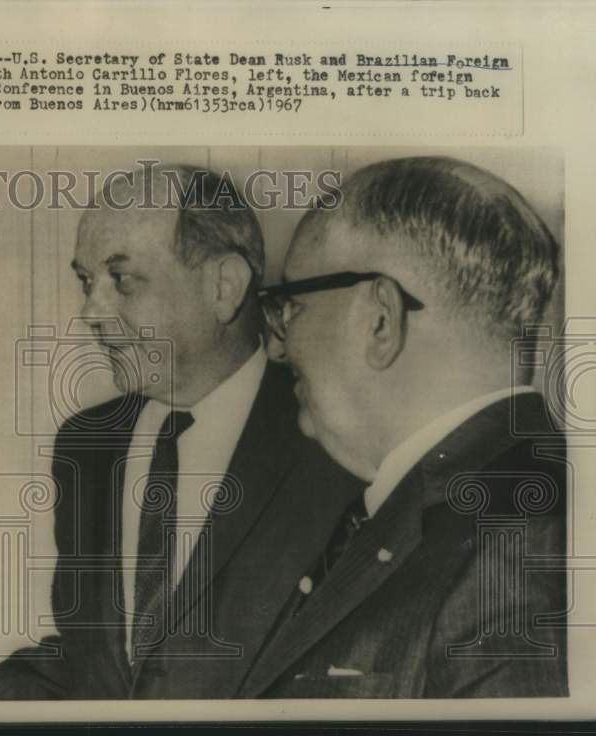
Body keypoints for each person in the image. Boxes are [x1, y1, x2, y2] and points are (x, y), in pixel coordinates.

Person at [0, 164, 360, 699]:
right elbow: (92, 662)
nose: (91, 312)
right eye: (86, 281)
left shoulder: (334, 439)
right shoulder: (88, 443)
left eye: (121, 279)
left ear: (224, 286)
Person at [240, 156, 567, 698]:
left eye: (291, 307)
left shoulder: (516, 554)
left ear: (381, 319)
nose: (278, 346)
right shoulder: (495, 513)